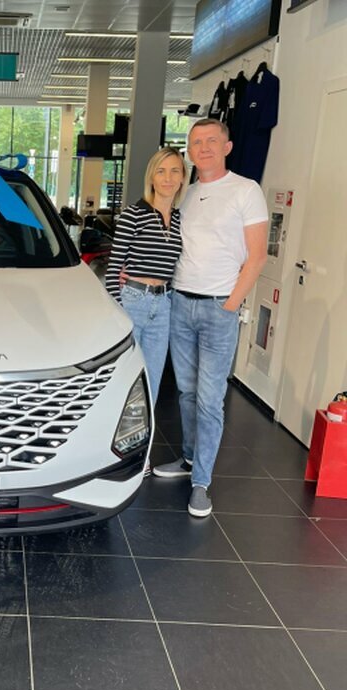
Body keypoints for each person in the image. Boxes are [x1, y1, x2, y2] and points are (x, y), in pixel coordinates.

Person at [153, 118, 268, 518]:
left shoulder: (245, 190)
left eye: (211, 141)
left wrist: (230, 304)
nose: (203, 148)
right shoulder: (185, 193)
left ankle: (201, 482)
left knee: (209, 399)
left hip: (219, 307)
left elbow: (257, 256)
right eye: (196, 142)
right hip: (180, 304)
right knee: (185, 392)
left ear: (227, 146)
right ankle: (188, 459)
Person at [105, 147, 187, 407]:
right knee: (124, 377)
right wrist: (119, 313)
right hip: (132, 300)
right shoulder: (134, 214)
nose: (168, 178)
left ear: (183, 177)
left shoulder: (180, 220)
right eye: (161, 171)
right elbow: (113, 270)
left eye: (175, 171)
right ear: (152, 177)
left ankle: (145, 431)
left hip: (163, 306)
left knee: (152, 379)